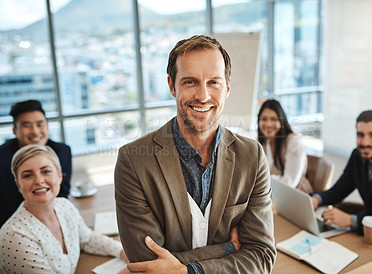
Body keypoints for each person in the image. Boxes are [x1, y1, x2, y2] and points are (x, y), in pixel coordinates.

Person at [114, 35, 276, 273]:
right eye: (190, 82)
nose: (203, 96)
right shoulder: (133, 161)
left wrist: (187, 271)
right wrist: (229, 248)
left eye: (214, 82)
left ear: (227, 88)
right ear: (172, 85)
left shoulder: (252, 156)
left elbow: (261, 256)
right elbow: (147, 265)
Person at [0, 144, 128, 273]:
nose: (39, 181)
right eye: (27, 175)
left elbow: (87, 239)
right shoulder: (14, 237)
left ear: (60, 175)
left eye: (46, 171)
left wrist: (122, 251)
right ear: (18, 185)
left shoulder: (64, 205)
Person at [311, 110, 372, 237]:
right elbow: (338, 191)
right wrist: (316, 199)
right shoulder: (357, 156)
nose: (365, 143)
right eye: (360, 135)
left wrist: (351, 221)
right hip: (365, 236)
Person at [0, 100, 72, 227]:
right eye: (27, 125)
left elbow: (62, 194)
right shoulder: (2, 158)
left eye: (40, 124)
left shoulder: (62, 151)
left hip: (52, 219)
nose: (35, 131)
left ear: (47, 126)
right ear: (15, 131)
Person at [257, 99, 313, 193]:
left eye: (273, 119)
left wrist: (262, 182)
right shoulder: (264, 142)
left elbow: (290, 183)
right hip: (272, 193)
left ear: (282, 121)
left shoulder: (293, 142)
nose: (268, 124)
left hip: (296, 194)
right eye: (264, 119)